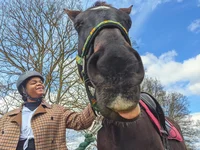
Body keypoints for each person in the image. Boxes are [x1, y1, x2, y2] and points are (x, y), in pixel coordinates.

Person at [0, 70, 96, 150]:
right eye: (33, 83)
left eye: (40, 82)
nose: (39, 84)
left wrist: (95, 98)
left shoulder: (57, 110)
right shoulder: (7, 117)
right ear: (23, 90)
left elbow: (81, 121)